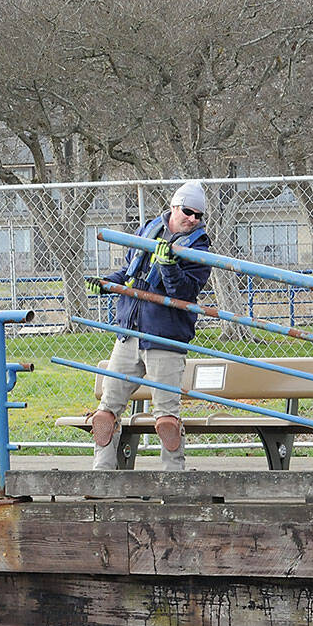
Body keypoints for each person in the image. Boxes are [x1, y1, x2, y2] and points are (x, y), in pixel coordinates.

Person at [84, 180, 213, 470]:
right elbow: (130, 271)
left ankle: (172, 479)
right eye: (188, 211)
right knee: (106, 412)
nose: (192, 219)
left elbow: (182, 293)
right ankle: (101, 475)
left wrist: (168, 266)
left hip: (165, 339)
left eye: (199, 215)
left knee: (166, 418)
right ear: (174, 207)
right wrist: (109, 284)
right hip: (129, 333)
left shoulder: (200, 249)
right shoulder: (148, 229)